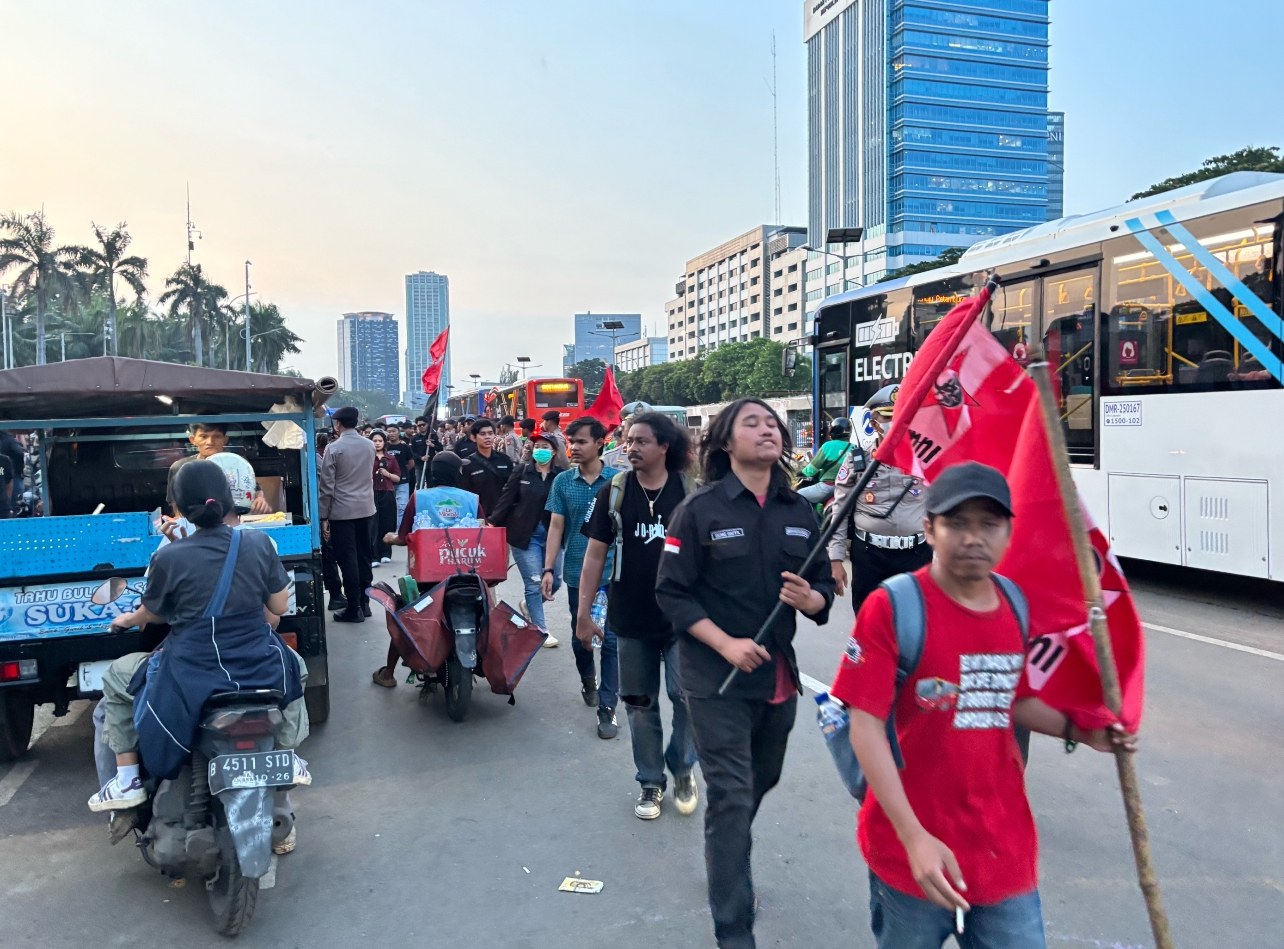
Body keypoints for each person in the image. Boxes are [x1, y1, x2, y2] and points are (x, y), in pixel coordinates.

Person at [833, 462, 1138, 948]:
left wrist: (1082, 731)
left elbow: (1008, 698)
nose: (973, 537)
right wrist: (914, 838)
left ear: (1008, 532)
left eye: (989, 524)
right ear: (928, 528)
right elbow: (865, 725)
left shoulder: (1013, 604)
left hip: (1001, 847)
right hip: (910, 853)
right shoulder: (894, 607)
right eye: (957, 523)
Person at [655, 397, 835, 949]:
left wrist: (811, 598)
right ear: (726, 443)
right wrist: (725, 644)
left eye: (771, 423)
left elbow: (824, 592)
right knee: (732, 795)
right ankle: (733, 926)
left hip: (776, 677)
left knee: (757, 784)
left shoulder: (801, 511)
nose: (767, 430)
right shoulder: (700, 509)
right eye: (750, 423)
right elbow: (672, 592)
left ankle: (725, 849)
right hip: (714, 680)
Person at [88, 461, 310, 824]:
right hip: (257, 663)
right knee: (296, 669)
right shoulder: (258, 543)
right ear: (229, 499)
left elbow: (154, 613)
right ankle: (286, 753)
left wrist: (126, 619)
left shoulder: (168, 556)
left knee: (116, 676)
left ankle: (127, 780)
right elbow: (278, 608)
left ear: (177, 507)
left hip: (193, 671)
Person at [578, 412, 699, 820]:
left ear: (665, 446)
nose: (631, 448)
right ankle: (650, 781)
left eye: (642, 441)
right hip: (630, 617)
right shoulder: (614, 491)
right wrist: (582, 612)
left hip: (686, 620)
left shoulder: (691, 490)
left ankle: (682, 767)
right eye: (628, 440)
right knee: (639, 704)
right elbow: (595, 554)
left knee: (687, 698)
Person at [373, 451, 481, 687]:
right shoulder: (472, 499)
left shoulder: (418, 498)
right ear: (454, 472)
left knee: (406, 616)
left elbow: (404, 537)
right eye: (460, 468)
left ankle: (388, 674)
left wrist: (391, 539)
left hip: (427, 577)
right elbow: (482, 532)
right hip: (468, 575)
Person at [541, 416, 618, 737]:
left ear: (600, 443)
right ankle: (588, 678)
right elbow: (556, 527)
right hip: (575, 572)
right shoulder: (562, 482)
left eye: (581, 441)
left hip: (615, 572)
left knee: (612, 638)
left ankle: (608, 705)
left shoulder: (619, 481)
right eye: (571, 442)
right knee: (580, 636)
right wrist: (548, 569)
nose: (573, 447)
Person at [829, 385, 932, 609]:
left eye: (903, 416)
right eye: (889, 417)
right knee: (869, 626)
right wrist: (836, 559)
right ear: (875, 424)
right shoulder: (858, 460)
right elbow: (840, 510)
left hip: (917, 555)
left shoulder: (925, 460)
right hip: (870, 556)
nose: (897, 423)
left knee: (915, 627)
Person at [488, 432, 565, 648]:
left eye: (546, 447)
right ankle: (540, 630)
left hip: (553, 535)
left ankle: (530, 607)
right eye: (537, 446)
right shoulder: (522, 471)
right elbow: (507, 498)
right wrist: (492, 522)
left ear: (555, 451)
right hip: (524, 536)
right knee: (533, 583)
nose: (541, 450)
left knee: (555, 581)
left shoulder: (561, 476)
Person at [318, 406, 377, 623]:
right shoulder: (370, 445)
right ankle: (365, 603)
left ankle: (353, 608)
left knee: (347, 558)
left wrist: (323, 516)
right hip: (367, 508)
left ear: (338, 424)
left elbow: (326, 487)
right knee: (364, 556)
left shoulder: (334, 448)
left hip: (342, 512)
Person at [165, 422, 271, 516]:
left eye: (216, 436)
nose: (210, 442)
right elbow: (175, 502)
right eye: (203, 436)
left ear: (225, 440)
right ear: (193, 440)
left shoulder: (237, 464)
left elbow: (255, 489)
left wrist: (259, 499)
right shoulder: (180, 467)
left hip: (232, 521)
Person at [459, 417, 515, 518]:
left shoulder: (505, 460)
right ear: (473, 437)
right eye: (482, 434)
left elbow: (511, 490)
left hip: (504, 516)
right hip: (479, 516)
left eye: (490, 433)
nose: (487, 437)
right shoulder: (467, 463)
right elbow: (465, 495)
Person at [370, 430, 402, 565]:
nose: (377, 443)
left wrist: (387, 474)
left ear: (384, 442)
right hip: (371, 493)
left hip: (387, 493)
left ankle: (386, 552)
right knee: (373, 525)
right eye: (375, 441)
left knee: (387, 523)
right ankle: (374, 556)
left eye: (380, 441)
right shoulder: (367, 457)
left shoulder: (391, 458)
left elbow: (397, 478)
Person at [384, 426, 415, 523]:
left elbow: (411, 463)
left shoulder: (405, 447)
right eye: (389, 431)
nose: (391, 433)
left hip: (402, 482)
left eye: (394, 431)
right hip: (387, 482)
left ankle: (399, 532)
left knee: (402, 507)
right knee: (388, 508)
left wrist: (402, 472)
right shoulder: (384, 447)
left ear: (399, 433)